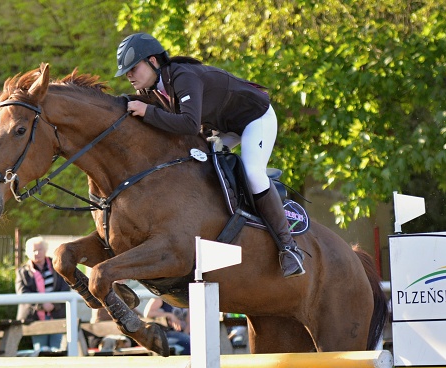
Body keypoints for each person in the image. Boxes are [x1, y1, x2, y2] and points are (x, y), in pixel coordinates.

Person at [115, 32, 305, 278]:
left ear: (153, 61)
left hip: (254, 118)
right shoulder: (151, 90)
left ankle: (288, 248)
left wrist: (147, 112)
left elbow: (189, 125)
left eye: (133, 68)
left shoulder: (182, 76)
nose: (129, 75)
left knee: (252, 173)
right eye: (127, 72)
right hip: (223, 127)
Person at [15, 236, 71, 353]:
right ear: (28, 253)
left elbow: (65, 287)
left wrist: (53, 304)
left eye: (39, 249)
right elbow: (22, 293)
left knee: (57, 349)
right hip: (35, 316)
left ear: (45, 250)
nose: (36, 253)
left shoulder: (57, 266)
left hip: (57, 313)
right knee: (40, 349)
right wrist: (42, 305)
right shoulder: (22, 271)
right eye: (33, 250)